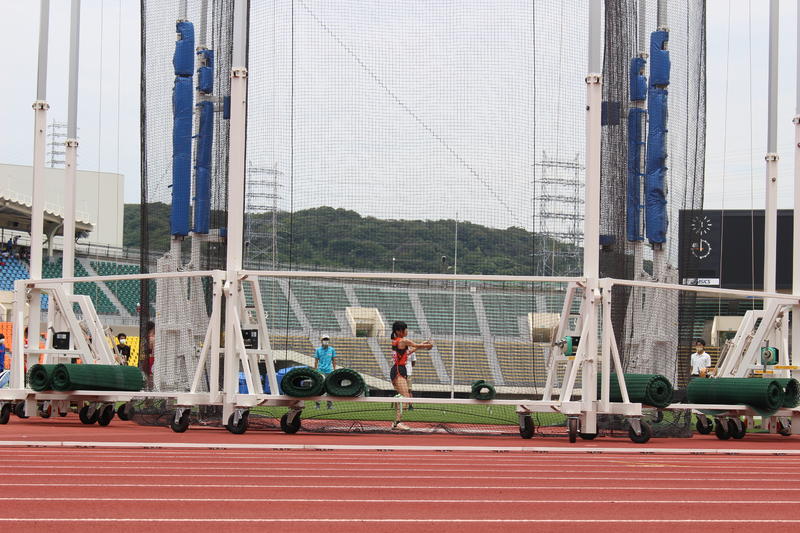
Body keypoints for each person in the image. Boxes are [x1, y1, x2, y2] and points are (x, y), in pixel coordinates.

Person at [389, 321, 432, 430]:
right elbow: (416, 345)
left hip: (399, 370)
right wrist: (428, 345)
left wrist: (423, 344)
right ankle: (397, 422)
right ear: (399, 331)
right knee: (406, 397)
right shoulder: (403, 340)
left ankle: (396, 421)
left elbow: (409, 352)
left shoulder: (397, 341)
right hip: (398, 370)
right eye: (405, 329)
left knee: (404, 396)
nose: (407, 331)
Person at [314, 334, 336, 409]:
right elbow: (316, 361)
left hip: (329, 371)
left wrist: (334, 369)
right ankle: (317, 405)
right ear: (321, 341)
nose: (325, 341)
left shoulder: (332, 350)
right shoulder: (318, 350)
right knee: (319, 388)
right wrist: (315, 370)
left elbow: (334, 360)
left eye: (327, 339)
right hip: (320, 371)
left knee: (329, 388)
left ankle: (329, 406)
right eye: (324, 339)